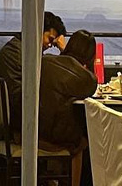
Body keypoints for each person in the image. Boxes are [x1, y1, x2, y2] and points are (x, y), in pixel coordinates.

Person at [39, 30, 99, 186]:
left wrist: (63, 51)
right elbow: (89, 89)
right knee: (81, 141)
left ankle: (52, 178)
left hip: (31, 127)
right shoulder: (85, 78)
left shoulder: (45, 61)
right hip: (52, 135)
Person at [0, 11, 67, 123]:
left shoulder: (19, 48)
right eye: (50, 39)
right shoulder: (20, 54)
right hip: (18, 121)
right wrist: (64, 49)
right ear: (38, 30)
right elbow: (21, 99)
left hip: (11, 116)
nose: (50, 45)